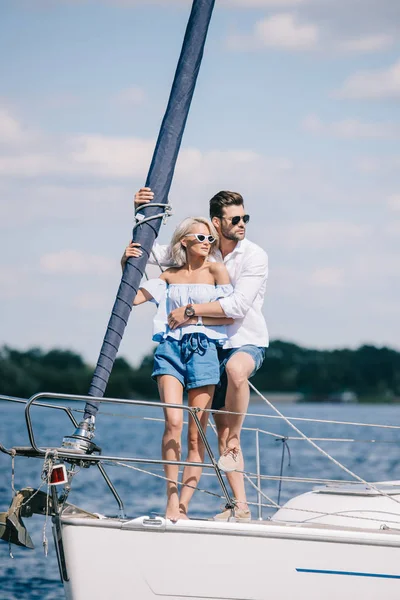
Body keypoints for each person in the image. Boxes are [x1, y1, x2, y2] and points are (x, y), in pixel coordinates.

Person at [131, 188, 268, 522]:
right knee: (212, 433)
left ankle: (238, 501)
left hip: (243, 341)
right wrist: (140, 213)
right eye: (236, 219)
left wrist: (190, 311)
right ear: (217, 223)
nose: (243, 224)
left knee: (235, 377)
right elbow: (147, 253)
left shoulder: (253, 256)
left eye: (245, 218)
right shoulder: (202, 247)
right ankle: (236, 505)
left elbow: (235, 307)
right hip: (207, 348)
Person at [123, 216, 234, 522]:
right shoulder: (168, 276)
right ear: (184, 241)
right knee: (173, 422)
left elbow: (227, 314)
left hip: (204, 350)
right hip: (170, 350)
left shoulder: (216, 270)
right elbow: (130, 298)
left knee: (196, 435)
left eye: (211, 239)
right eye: (201, 238)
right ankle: (171, 498)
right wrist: (126, 263)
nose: (208, 244)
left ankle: (183, 506)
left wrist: (191, 315)